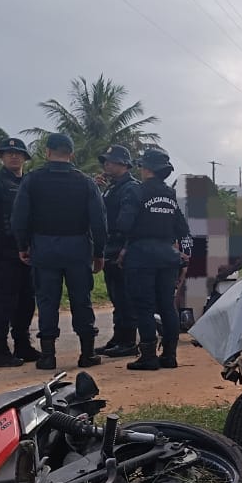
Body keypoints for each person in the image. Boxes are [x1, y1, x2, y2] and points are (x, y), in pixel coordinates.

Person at [10, 133, 107, 370]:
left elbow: (19, 217)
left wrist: (23, 246)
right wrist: (99, 252)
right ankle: (87, 353)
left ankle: (48, 356)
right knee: (81, 300)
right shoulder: (85, 182)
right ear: (71, 154)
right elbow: (99, 221)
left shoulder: (32, 180)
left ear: (47, 152)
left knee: (47, 301)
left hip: (44, 248)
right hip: (77, 248)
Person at [117, 146, 190, 371]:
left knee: (144, 307)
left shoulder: (137, 192)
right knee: (168, 305)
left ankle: (148, 356)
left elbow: (123, 224)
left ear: (146, 168)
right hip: (168, 256)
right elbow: (182, 227)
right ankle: (169, 355)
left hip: (141, 256)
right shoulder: (170, 194)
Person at [0, 137, 39, 367]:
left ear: (24, 158)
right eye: (9, 153)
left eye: (18, 153)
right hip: (3, 249)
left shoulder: (30, 182)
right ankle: (0, 350)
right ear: (1, 157)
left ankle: (23, 344)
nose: (14, 156)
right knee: (4, 301)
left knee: (26, 301)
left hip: (28, 250)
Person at [94, 145, 141, 358]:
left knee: (125, 297)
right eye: (105, 161)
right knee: (116, 297)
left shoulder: (131, 187)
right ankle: (118, 338)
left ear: (123, 164)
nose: (106, 165)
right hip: (110, 246)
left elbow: (130, 223)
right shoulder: (111, 187)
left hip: (123, 247)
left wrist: (125, 248)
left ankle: (129, 341)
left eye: (111, 161)